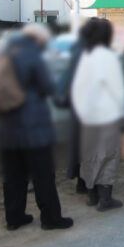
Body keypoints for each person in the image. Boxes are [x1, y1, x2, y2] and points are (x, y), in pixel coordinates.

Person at [0, 24, 73, 231]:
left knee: (13, 175)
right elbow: (48, 87)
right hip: (33, 126)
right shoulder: (32, 55)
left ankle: (14, 217)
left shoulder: (3, 53)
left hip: (6, 125)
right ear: (39, 40)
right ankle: (51, 218)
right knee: (43, 174)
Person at [72, 18, 124, 211]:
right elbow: (117, 89)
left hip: (87, 116)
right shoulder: (108, 57)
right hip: (107, 115)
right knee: (108, 155)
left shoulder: (86, 56)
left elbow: (78, 88)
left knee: (89, 154)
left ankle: (91, 195)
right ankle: (105, 199)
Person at [54, 25, 87, 195]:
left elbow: (65, 80)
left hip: (76, 106)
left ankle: (81, 180)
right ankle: (86, 182)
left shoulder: (75, 50)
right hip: (87, 107)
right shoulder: (88, 52)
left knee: (79, 145)